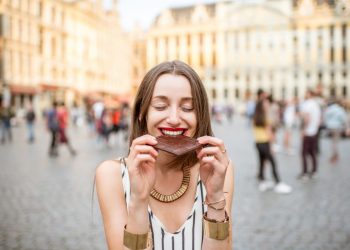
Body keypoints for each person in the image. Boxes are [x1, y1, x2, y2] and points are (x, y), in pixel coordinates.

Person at [95, 61, 234, 250]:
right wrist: (138, 201)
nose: (174, 119)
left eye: (187, 108)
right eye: (160, 106)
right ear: (141, 114)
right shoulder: (112, 176)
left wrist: (215, 196)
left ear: (200, 115)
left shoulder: (217, 169)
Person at [252, 99, 292, 194]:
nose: (267, 106)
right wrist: (272, 145)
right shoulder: (265, 117)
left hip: (257, 143)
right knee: (273, 162)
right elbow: (269, 133)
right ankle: (278, 182)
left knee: (261, 162)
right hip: (265, 143)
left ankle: (262, 182)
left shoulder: (256, 117)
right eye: (266, 105)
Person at [299, 89, 321, 180]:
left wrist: (304, 130)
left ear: (309, 94)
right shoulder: (316, 104)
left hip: (308, 131)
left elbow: (307, 118)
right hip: (314, 131)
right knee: (312, 152)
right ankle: (314, 171)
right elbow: (320, 119)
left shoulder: (308, 104)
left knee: (304, 153)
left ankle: (305, 173)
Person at [324, 98, 349, 164]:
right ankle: (335, 155)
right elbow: (344, 119)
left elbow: (325, 117)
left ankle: (335, 155)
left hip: (330, 127)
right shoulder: (340, 109)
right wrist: (347, 128)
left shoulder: (329, 109)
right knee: (335, 142)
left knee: (333, 142)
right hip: (337, 127)